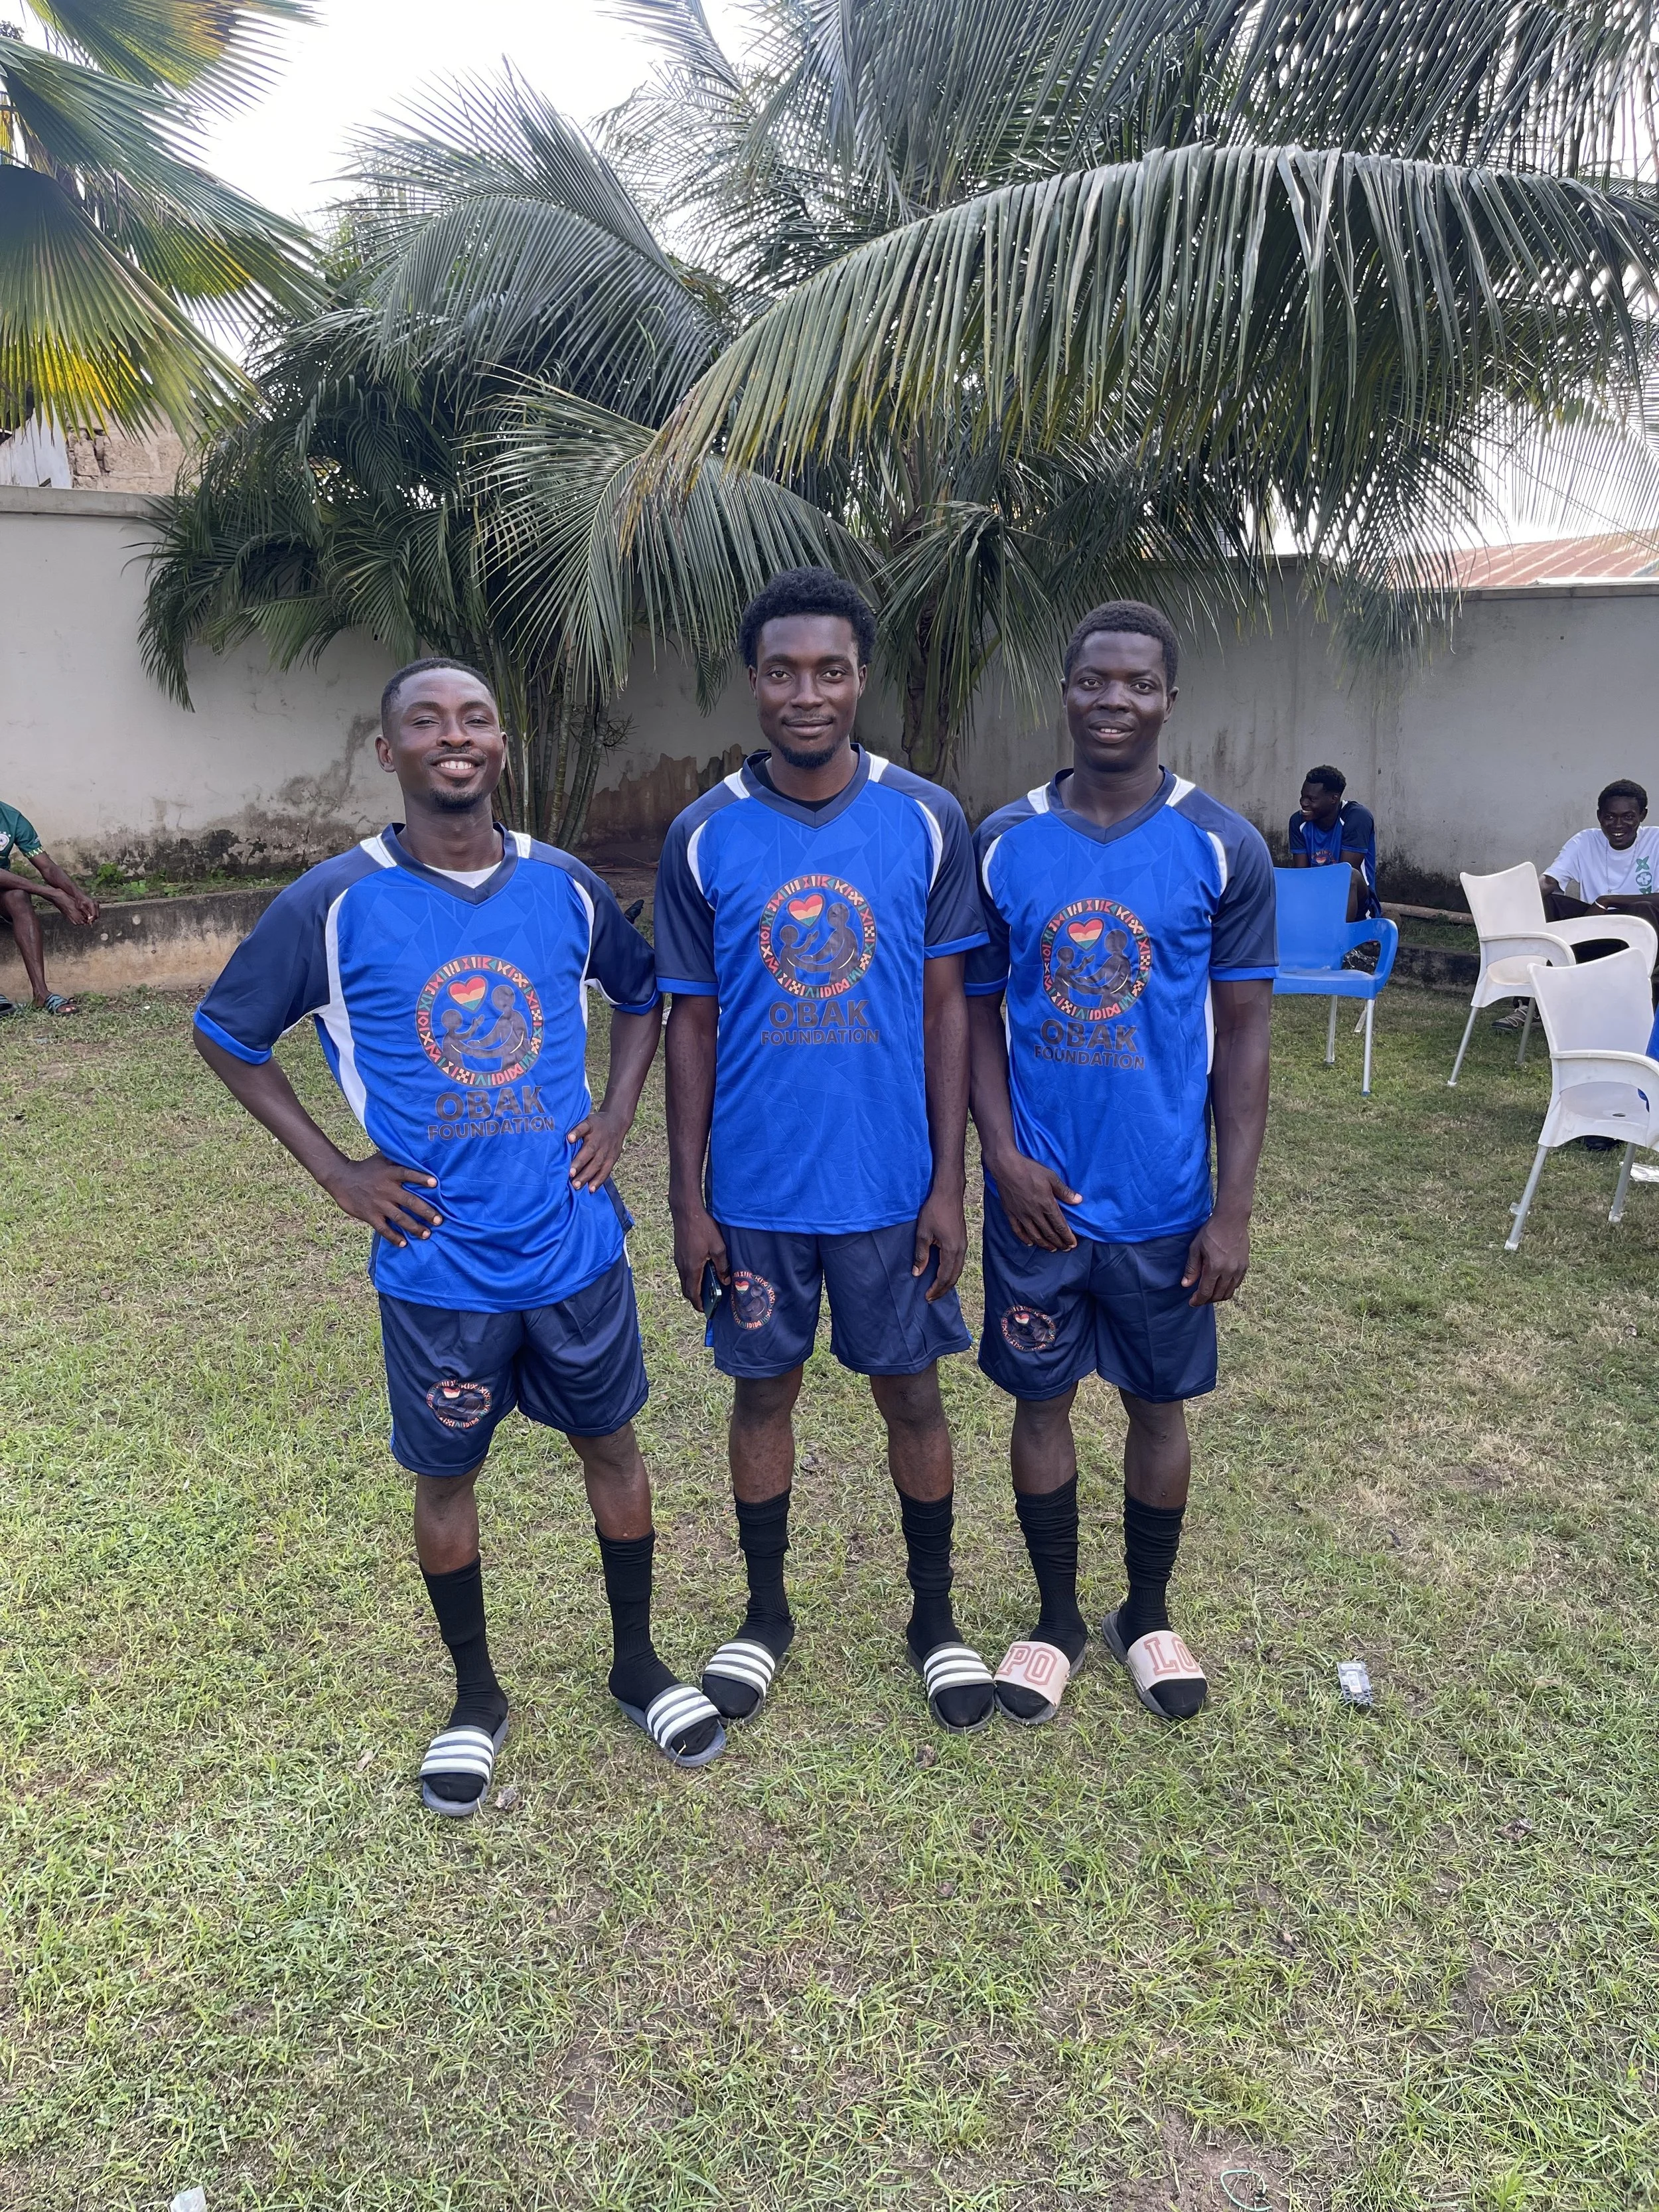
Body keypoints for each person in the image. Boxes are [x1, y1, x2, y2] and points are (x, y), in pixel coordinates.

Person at [193, 656, 723, 1812]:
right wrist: (337, 1168)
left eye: (475, 717)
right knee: (447, 1475)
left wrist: (619, 1110)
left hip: (572, 1245)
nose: (454, 736)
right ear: (387, 752)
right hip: (438, 1264)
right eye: (425, 721)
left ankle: (637, 1663)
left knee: (615, 1448)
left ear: (500, 745)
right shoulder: (334, 901)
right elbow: (228, 1032)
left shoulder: (565, 883)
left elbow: (643, 996)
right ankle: (476, 1694)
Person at [654, 568, 997, 1734]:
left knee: (912, 1393)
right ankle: (763, 1615)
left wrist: (948, 1182)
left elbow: (950, 1006)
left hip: (890, 1184)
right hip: (755, 1189)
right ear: (755, 682)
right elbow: (689, 1018)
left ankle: (935, 1619)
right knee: (764, 1392)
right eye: (784, 671)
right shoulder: (703, 833)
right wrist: (688, 1197)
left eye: (832, 670)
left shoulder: (927, 817)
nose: (809, 693)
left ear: (863, 679)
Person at [966, 601, 1275, 1728]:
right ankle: (1052, 1617)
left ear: (1168, 700)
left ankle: (1144, 1612)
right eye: (1095, 680)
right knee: (1040, 1403)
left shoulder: (1221, 845)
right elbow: (975, 1016)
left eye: (1138, 683)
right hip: (1040, 1205)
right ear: (1067, 690)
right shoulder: (1004, 840)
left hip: (1162, 1204)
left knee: (1157, 1406)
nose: (1115, 700)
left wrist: (1230, 1208)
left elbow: (1243, 1035)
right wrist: (1001, 1155)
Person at [0, 800, 100, 1013]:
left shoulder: (10, 817)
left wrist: (78, 895)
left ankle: (41, 994)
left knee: (18, 896)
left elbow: (47, 866)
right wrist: (52, 894)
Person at [1542, 780, 1659, 932]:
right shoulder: (1585, 841)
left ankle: (1643, 957)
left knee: (1643, 908)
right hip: (1595, 921)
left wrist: (1606, 901)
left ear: (1642, 815)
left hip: (1638, 924)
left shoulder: (1655, 840)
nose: (1618, 825)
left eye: (1628, 817)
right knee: (1548, 902)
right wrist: (1515, 899)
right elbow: (1549, 880)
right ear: (1599, 816)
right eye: (1610, 817)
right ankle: (1545, 955)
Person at [1287, 765, 1378, 919]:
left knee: (1348, 876)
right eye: (1303, 797)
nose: (1304, 803)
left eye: (1312, 799)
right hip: (1316, 898)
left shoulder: (1356, 817)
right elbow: (1301, 875)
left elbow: (1343, 875)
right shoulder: (1298, 822)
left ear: (1333, 799)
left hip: (1357, 902)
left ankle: (1341, 940)